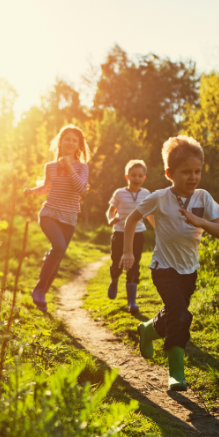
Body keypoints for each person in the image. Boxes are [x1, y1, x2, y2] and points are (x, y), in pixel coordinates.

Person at [118, 136, 219, 391]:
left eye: (197, 171)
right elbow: (132, 220)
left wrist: (202, 223)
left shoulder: (203, 198)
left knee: (174, 314)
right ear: (169, 173)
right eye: (186, 172)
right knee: (181, 315)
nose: (193, 177)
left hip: (190, 270)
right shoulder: (159, 197)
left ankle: (148, 330)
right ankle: (176, 373)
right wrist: (128, 252)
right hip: (163, 268)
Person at [23, 124, 91, 313]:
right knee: (59, 247)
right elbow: (47, 188)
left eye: (74, 140)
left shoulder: (82, 167)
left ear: (78, 145)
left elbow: (82, 189)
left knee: (58, 258)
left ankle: (41, 295)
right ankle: (39, 289)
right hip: (49, 213)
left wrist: (69, 166)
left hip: (69, 218)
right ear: (60, 141)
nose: (70, 142)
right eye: (67, 139)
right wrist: (31, 192)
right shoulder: (50, 167)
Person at [106, 159, 153, 313]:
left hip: (138, 234)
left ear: (144, 178)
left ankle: (132, 302)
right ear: (127, 176)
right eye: (133, 175)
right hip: (119, 233)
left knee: (133, 265)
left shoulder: (147, 194)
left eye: (140, 176)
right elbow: (110, 211)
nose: (136, 179)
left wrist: (159, 230)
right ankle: (114, 280)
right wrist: (111, 220)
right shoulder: (119, 193)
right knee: (117, 263)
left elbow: (151, 214)